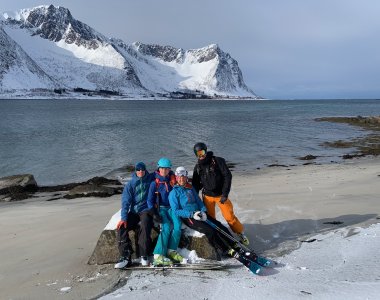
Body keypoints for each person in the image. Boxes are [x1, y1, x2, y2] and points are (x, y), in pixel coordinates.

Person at [169, 166, 241, 257]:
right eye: (179, 177)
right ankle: (225, 249)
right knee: (210, 230)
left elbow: (198, 201)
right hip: (189, 217)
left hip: (199, 213)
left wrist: (203, 211)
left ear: (186, 177)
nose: (181, 179)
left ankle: (233, 243)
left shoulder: (190, 188)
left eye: (183, 176)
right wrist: (191, 214)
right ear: (176, 178)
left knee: (218, 225)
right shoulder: (173, 193)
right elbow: (176, 211)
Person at [192, 142, 249, 245]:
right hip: (207, 197)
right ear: (196, 154)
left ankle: (240, 233)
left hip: (220, 196)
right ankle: (219, 236)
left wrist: (225, 194)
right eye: (198, 154)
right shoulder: (198, 167)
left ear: (206, 150)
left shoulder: (217, 161)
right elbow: (195, 184)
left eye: (202, 152)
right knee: (211, 219)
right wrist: (193, 197)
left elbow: (228, 176)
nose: (201, 155)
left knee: (229, 217)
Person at [114, 162, 155, 269]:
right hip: (134, 211)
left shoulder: (150, 179)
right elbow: (125, 202)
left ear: (145, 170)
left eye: (142, 170)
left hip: (146, 210)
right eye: (138, 170)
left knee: (145, 225)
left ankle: (144, 255)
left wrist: (173, 177)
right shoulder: (131, 184)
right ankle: (125, 255)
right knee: (122, 227)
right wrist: (124, 218)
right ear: (135, 171)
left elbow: (163, 172)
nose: (140, 171)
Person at [147, 158, 184, 266]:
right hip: (161, 208)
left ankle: (171, 251)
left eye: (167, 168)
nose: (164, 171)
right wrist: (154, 213)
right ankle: (158, 255)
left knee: (177, 225)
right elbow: (149, 200)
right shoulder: (155, 183)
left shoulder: (172, 180)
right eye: (162, 168)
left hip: (172, 208)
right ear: (159, 168)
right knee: (166, 226)